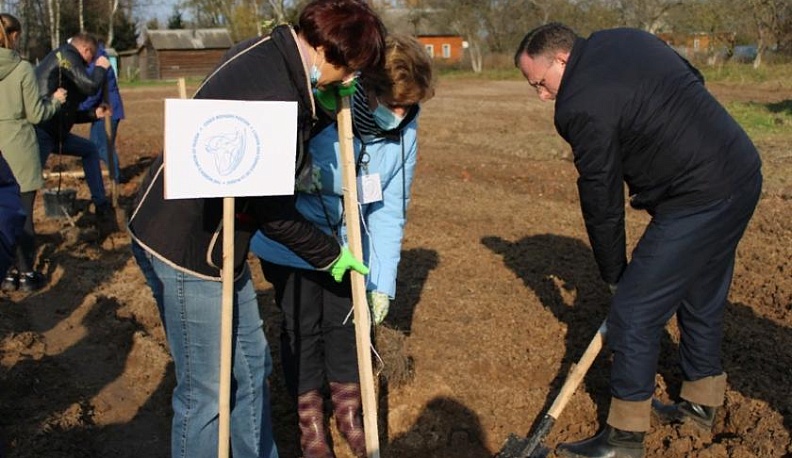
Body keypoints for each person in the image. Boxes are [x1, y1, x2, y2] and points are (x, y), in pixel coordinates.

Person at [127, 1, 386, 456]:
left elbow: (282, 140)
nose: (349, 81)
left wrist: (321, 111)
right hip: (190, 246)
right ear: (324, 49)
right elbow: (275, 213)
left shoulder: (273, 51)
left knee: (249, 364)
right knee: (207, 391)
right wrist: (331, 256)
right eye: (347, 69)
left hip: (209, 236)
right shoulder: (276, 94)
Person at [514, 23, 762, 458]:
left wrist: (615, 276)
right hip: (740, 168)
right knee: (701, 294)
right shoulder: (625, 38)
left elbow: (601, 197)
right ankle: (700, 405)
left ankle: (623, 439)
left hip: (696, 196)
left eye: (540, 82)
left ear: (562, 60)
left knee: (633, 313)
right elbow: (692, 81)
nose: (541, 95)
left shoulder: (578, 105)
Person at [250, 33, 434, 458]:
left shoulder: (405, 134)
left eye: (411, 106)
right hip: (292, 243)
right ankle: (310, 419)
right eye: (396, 104)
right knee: (303, 326)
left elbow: (390, 210)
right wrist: (296, 173)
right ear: (368, 89)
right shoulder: (321, 111)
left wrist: (382, 282)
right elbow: (269, 171)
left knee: (346, 326)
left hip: (347, 249)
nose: (403, 115)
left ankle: (349, 412)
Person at [0, 13, 66, 292]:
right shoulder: (22, 68)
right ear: (13, 36)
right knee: (23, 213)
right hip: (17, 147)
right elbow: (37, 114)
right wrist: (55, 101)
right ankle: (26, 273)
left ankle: (6, 272)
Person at [35, 32, 112, 216]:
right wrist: (101, 68)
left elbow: (67, 114)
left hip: (56, 132)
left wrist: (94, 114)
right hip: (41, 131)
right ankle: (19, 232)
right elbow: (90, 86)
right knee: (28, 183)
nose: (88, 64)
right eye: (90, 59)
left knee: (90, 150)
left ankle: (101, 206)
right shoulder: (67, 55)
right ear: (85, 50)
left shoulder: (66, 72)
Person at [79, 40, 125, 183]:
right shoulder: (96, 60)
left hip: (107, 110)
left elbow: (94, 92)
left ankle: (115, 176)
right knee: (95, 144)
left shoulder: (98, 63)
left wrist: (79, 109)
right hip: (104, 108)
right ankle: (102, 174)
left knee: (101, 145)